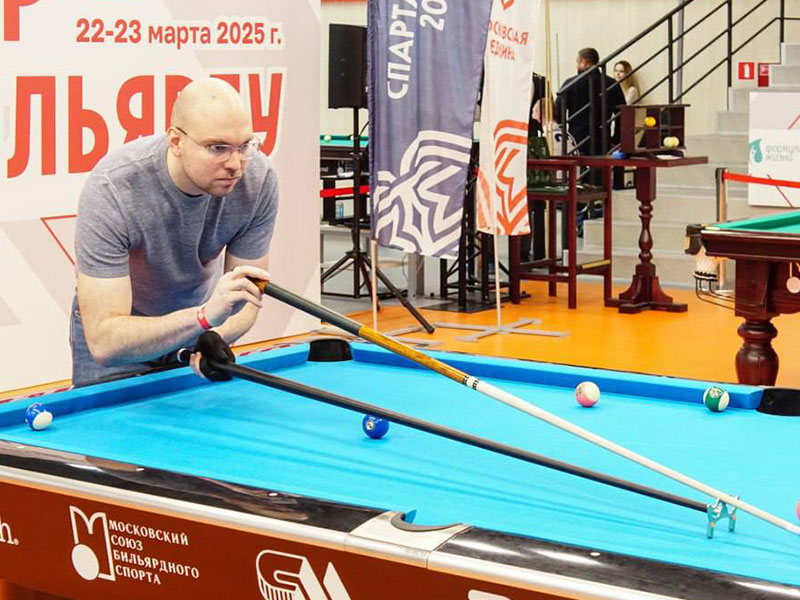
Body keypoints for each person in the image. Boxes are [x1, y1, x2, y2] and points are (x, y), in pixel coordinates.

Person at [71, 78, 279, 386]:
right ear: (176, 142)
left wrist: (212, 337)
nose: (236, 164)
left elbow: (247, 298)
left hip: (200, 329)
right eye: (218, 148)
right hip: (124, 341)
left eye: (245, 145)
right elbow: (105, 341)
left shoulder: (258, 180)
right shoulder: (112, 188)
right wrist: (203, 319)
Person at [555, 48, 626, 156]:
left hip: (577, 140)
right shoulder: (611, 83)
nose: (576, 66)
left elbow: (558, 112)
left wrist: (565, 137)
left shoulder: (570, 84)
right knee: (602, 166)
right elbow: (622, 113)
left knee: (578, 166)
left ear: (583, 62)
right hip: (602, 139)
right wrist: (616, 139)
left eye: (577, 62)